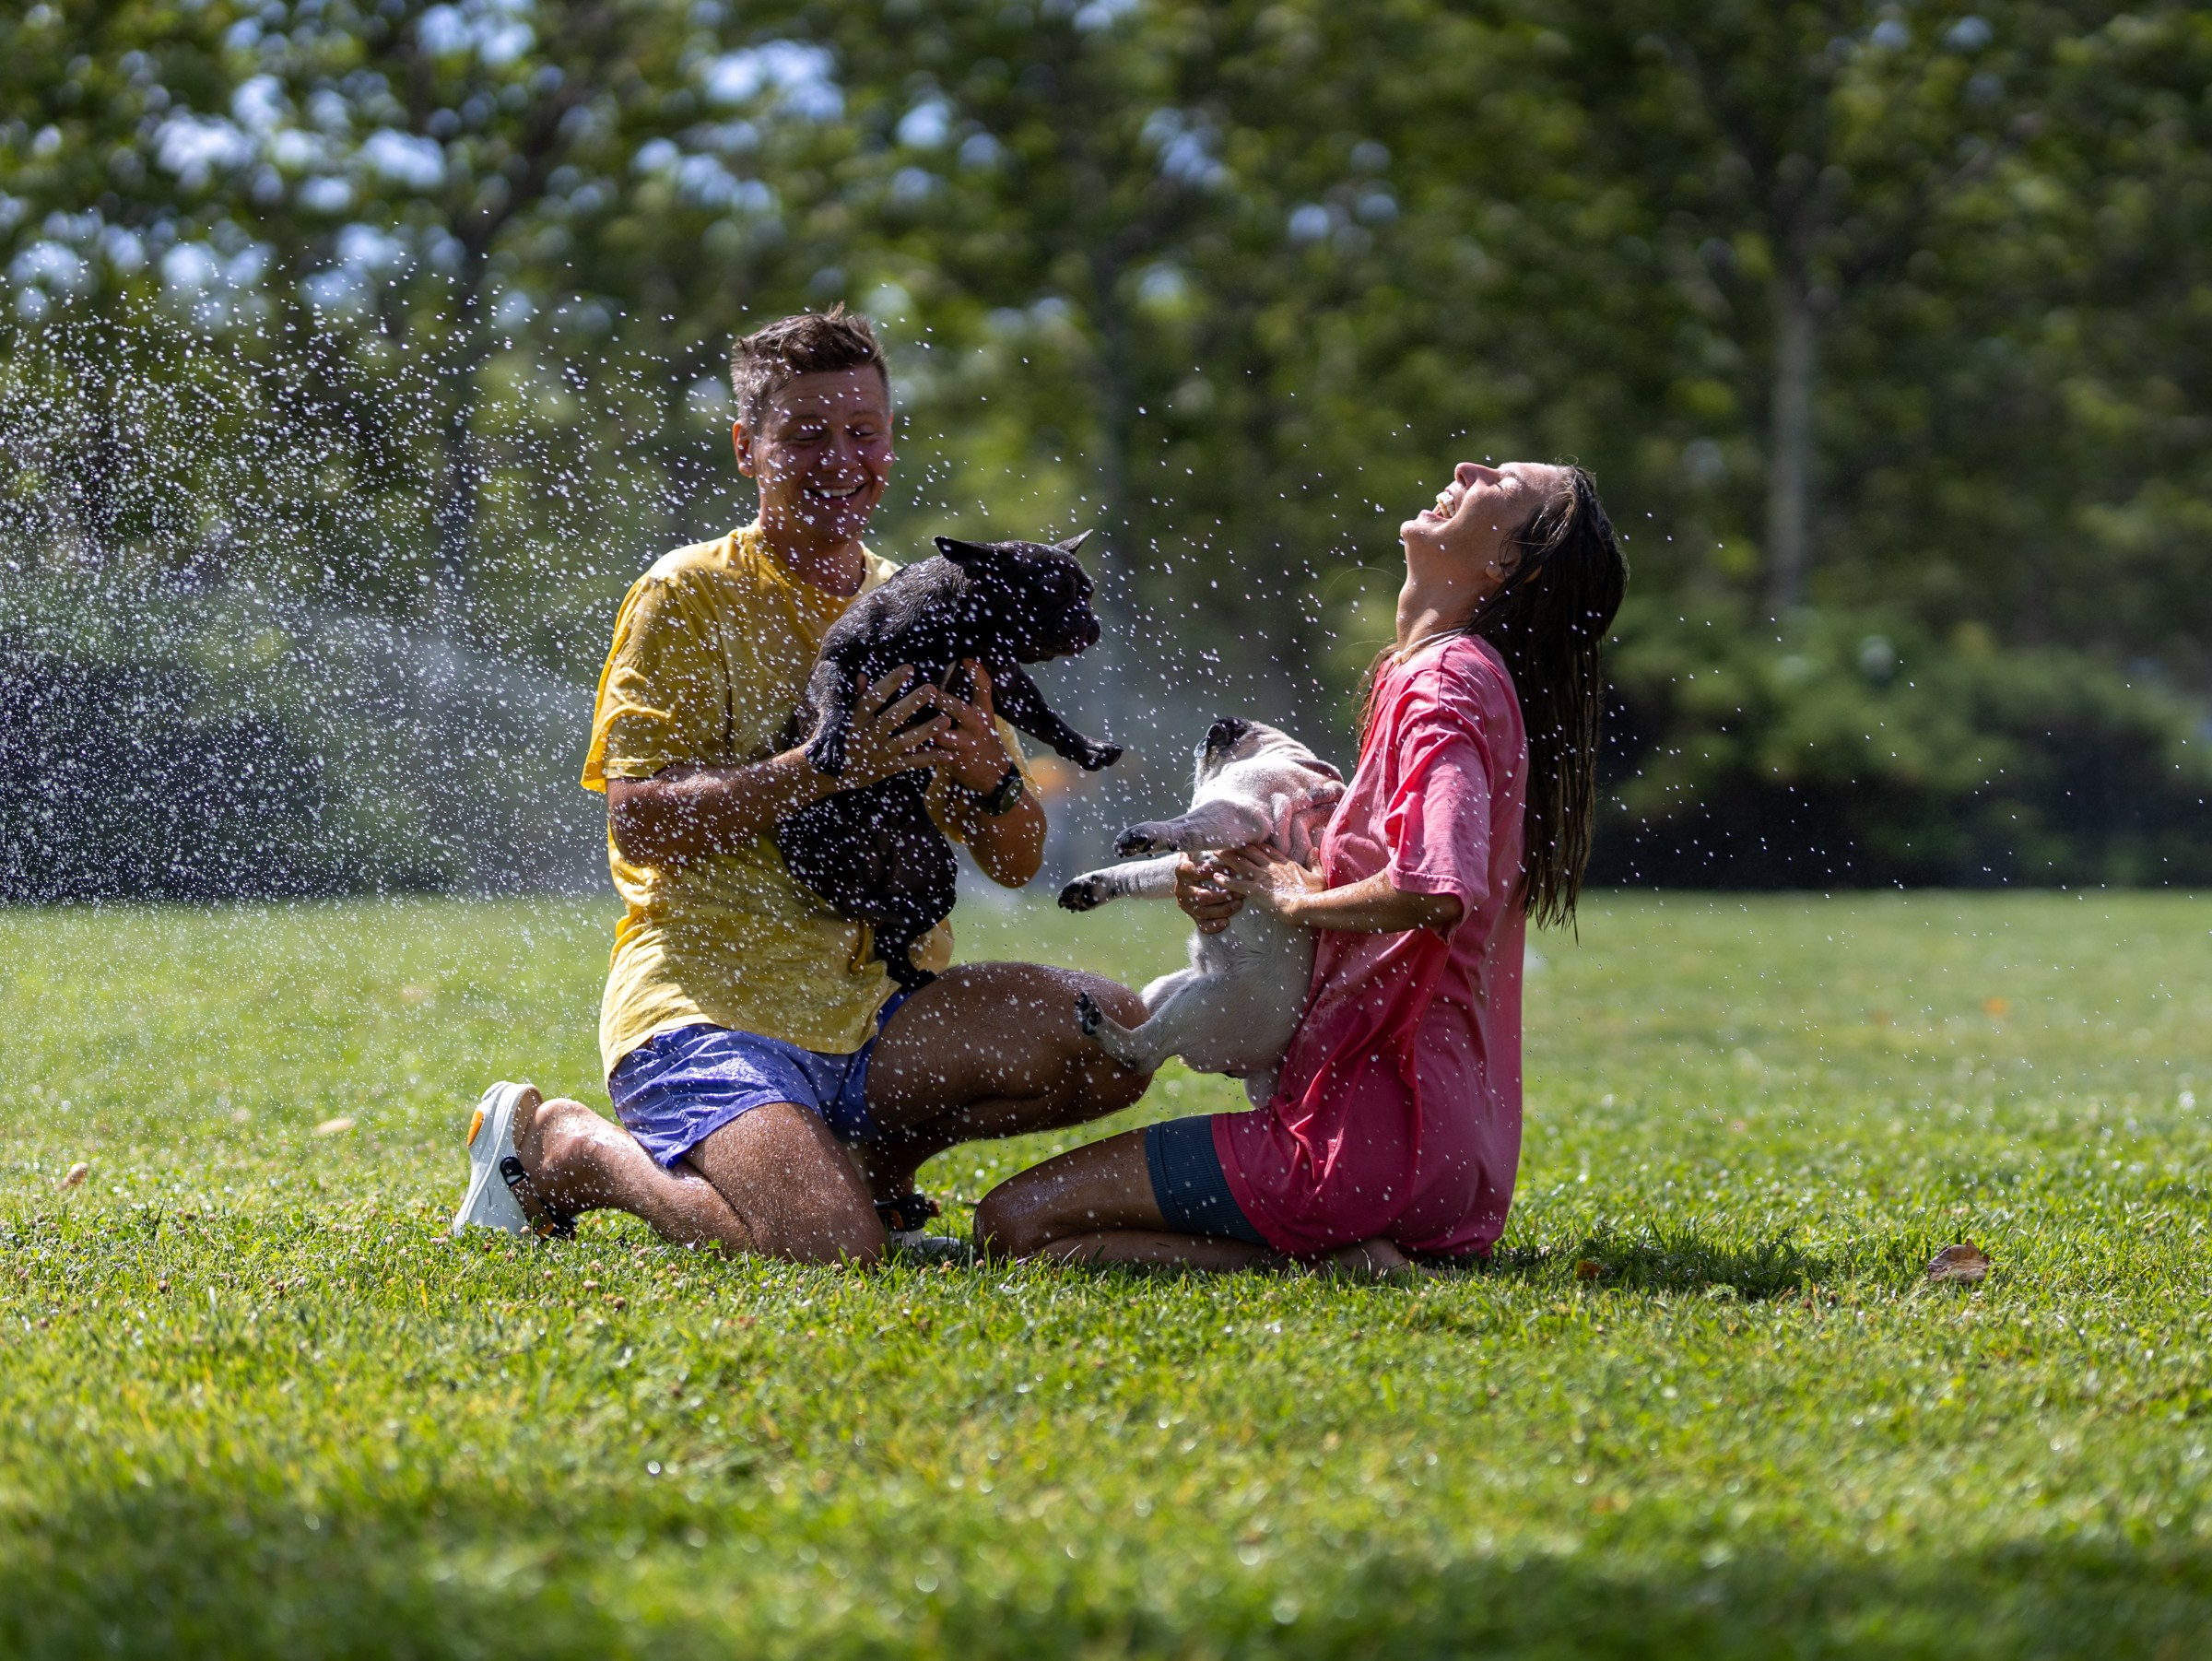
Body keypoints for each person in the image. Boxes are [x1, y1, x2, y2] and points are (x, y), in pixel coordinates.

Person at [451, 308, 1150, 1264]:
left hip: (880, 1006)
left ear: (891, 447)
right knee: (831, 1253)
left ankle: (865, 1166)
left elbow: (1017, 858)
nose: (839, 457)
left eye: (862, 431)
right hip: (708, 1003)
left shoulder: (930, 604)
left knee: (1113, 1033)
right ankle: (576, 1153)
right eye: (806, 433)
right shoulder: (685, 595)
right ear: (748, 447)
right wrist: (824, 768)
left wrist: (990, 773)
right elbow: (641, 821)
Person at [973, 460, 1626, 1274]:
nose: (1469, 468)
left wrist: (1288, 901)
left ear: (1505, 565)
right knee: (1037, 1233)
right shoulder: (1435, 675)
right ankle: (1345, 1248)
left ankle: (1337, 1261)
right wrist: (1239, 884)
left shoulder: (1446, 680)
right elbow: (1377, 874)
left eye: (1503, 483)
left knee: (1012, 1225)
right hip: (1447, 1163)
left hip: (1359, 1148)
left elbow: (1434, 886)